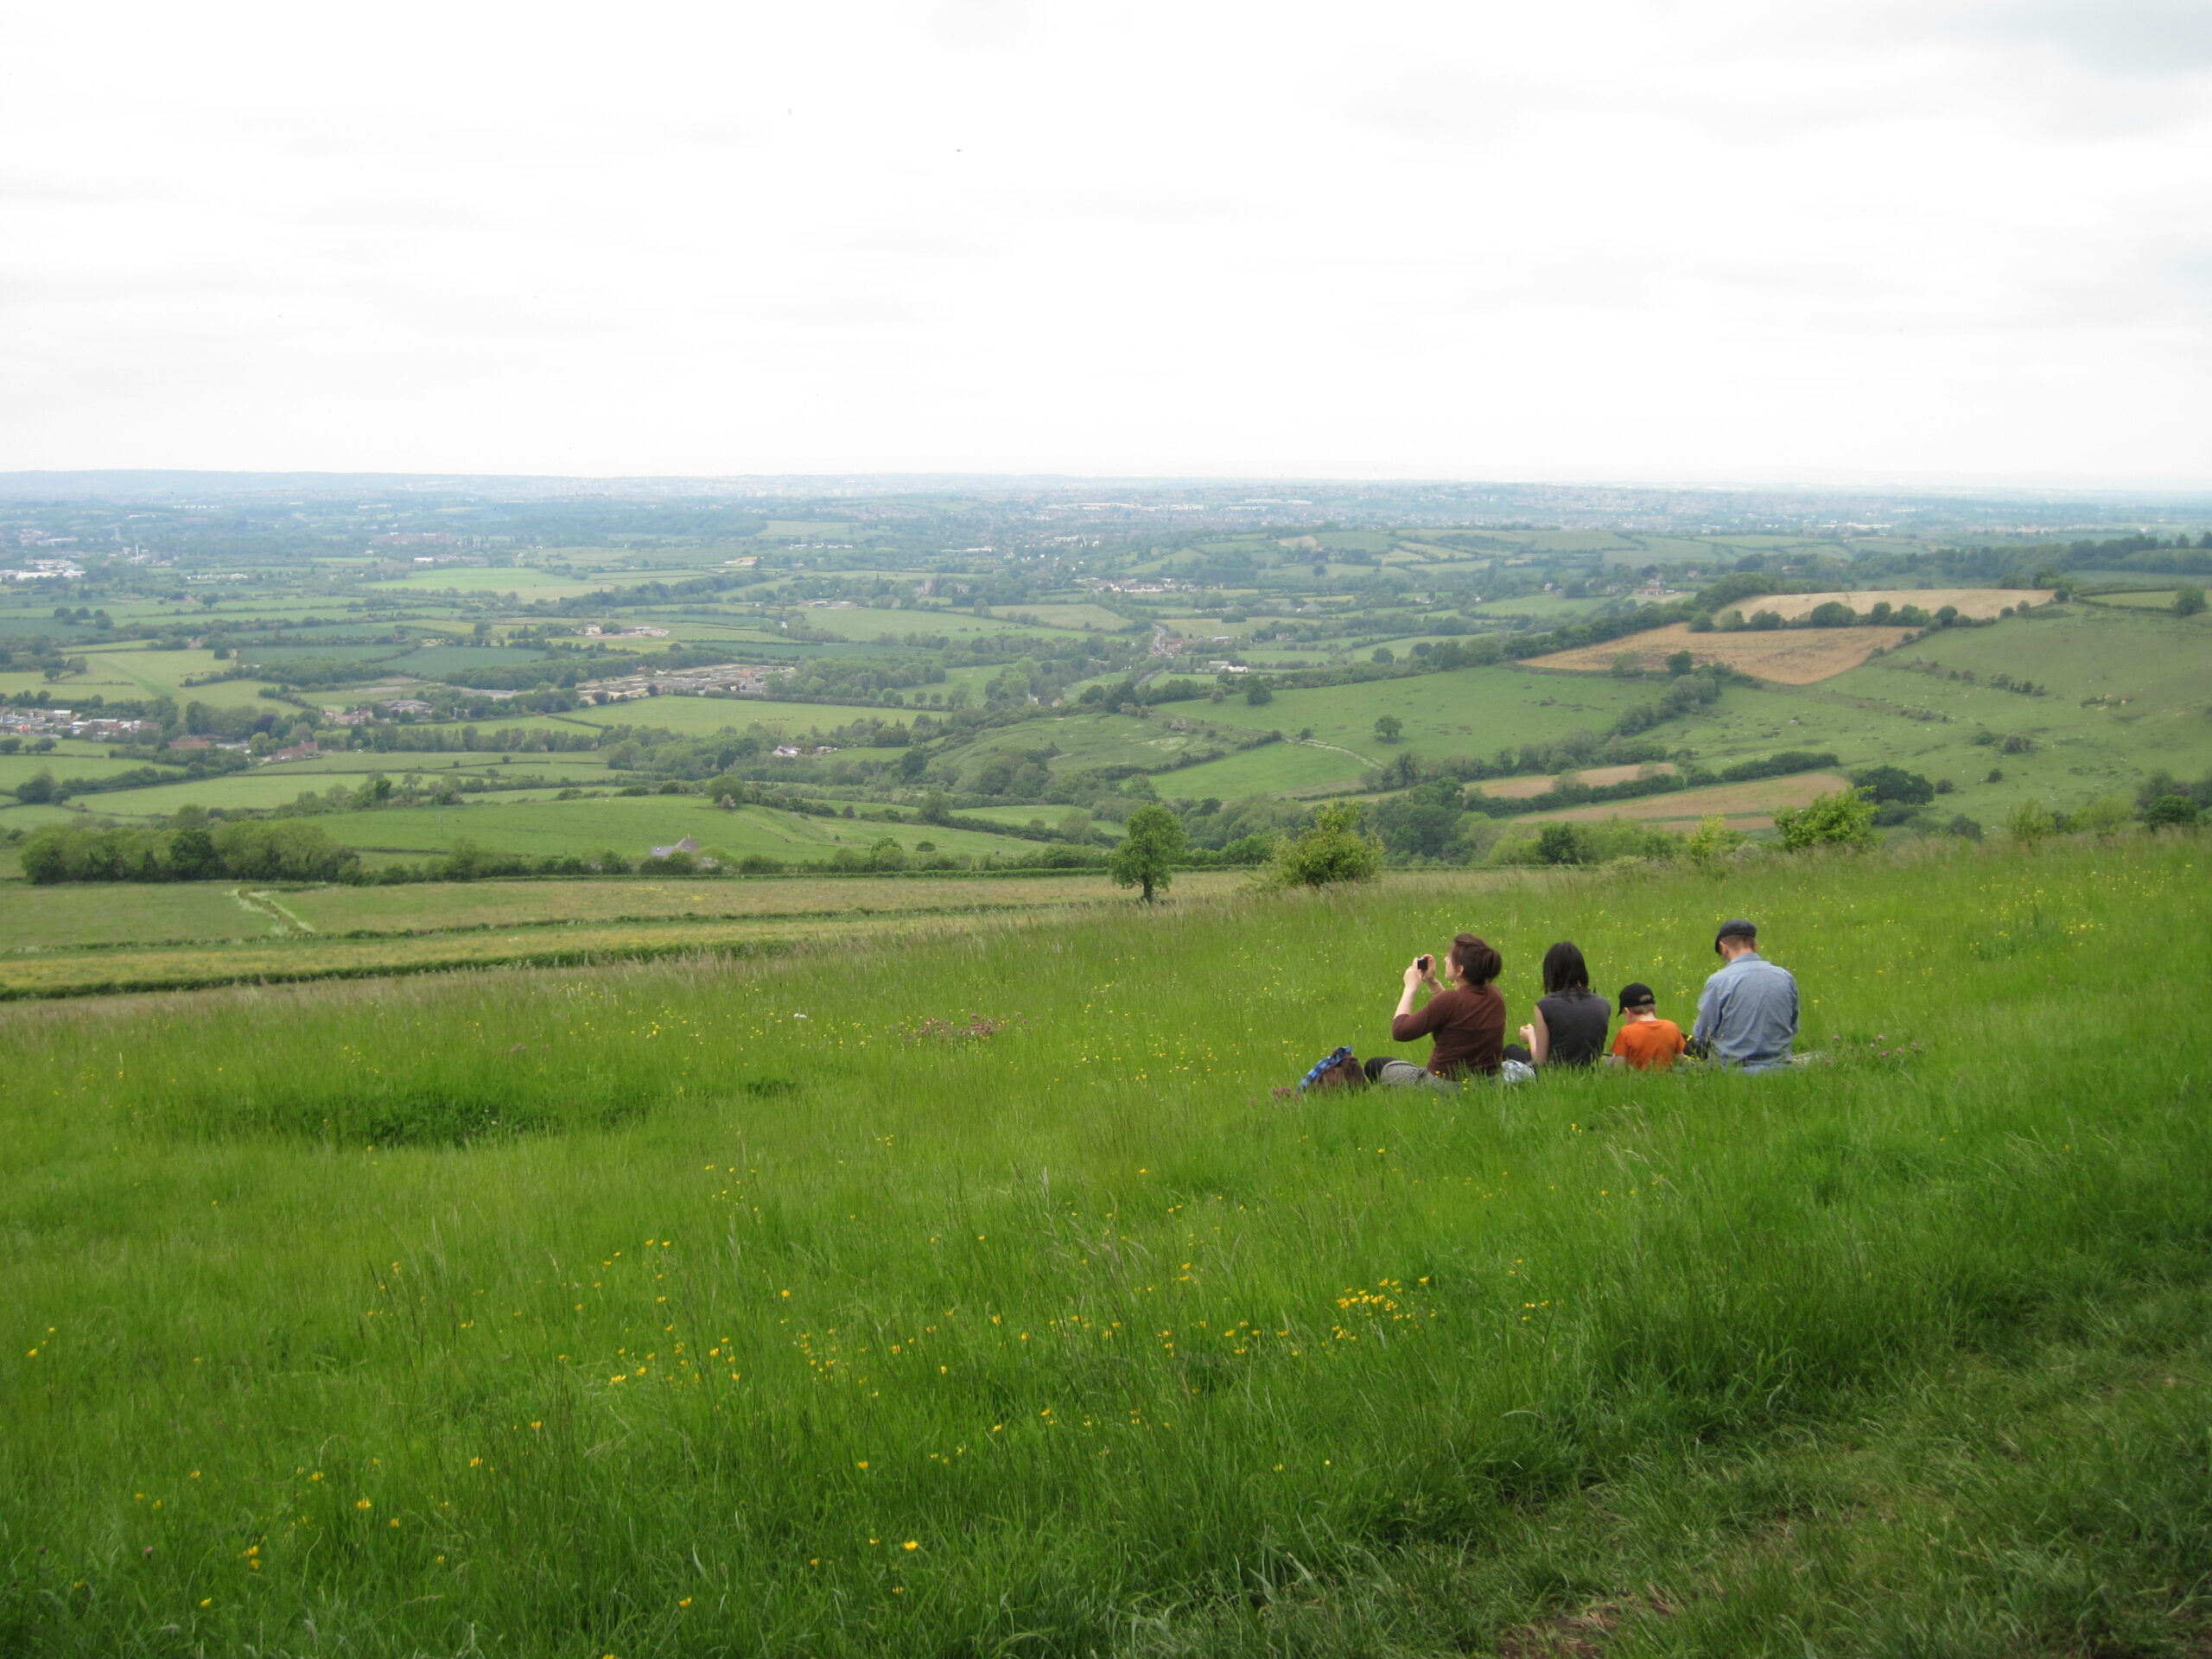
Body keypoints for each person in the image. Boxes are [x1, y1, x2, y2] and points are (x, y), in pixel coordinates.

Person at [1373, 933, 1505, 1084]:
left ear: (1460, 970)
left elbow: (1400, 1031)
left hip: (1445, 1085)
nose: (1445, 960)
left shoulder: (1450, 1000)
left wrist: (1410, 988)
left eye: (1449, 957)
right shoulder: (1495, 995)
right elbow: (1456, 1010)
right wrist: (1432, 981)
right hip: (1489, 1082)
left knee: (1377, 1065)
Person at [1692, 918, 1798, 1071]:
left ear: (1724, 947)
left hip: (1735, 1072)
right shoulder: (1785, 976)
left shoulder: (1719, 981)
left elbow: (1701, 1035)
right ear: (1755, 945)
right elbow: (1793, 1025)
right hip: (1782, 1068)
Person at [1513, 941, 1610, 1067]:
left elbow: (1540, 1060)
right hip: (1589, 1069)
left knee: (1511, 1050)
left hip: (1553, 1072)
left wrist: (1531, 1036)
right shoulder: (1603, 1004)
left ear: (1551, 972)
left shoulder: (1544, 1006)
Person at [1608, 982, 1686, 1071]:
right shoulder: (1672, 1027)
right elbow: (1680, 1060)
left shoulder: (1626, 1032)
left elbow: (1618, 1069)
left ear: (1627, 1012)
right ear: (1655, 1008)